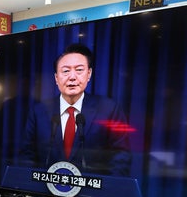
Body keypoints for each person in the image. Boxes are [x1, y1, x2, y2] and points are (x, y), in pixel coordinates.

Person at [21, 43, 131, 176]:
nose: (72, 77)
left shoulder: (109, 109)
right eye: (66, 71)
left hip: (92, 193)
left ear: (89, 74)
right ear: (56, 78)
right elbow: (27, 155)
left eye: (79, 70)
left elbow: (120, 156)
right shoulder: (39, 111)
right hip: (46, 192)